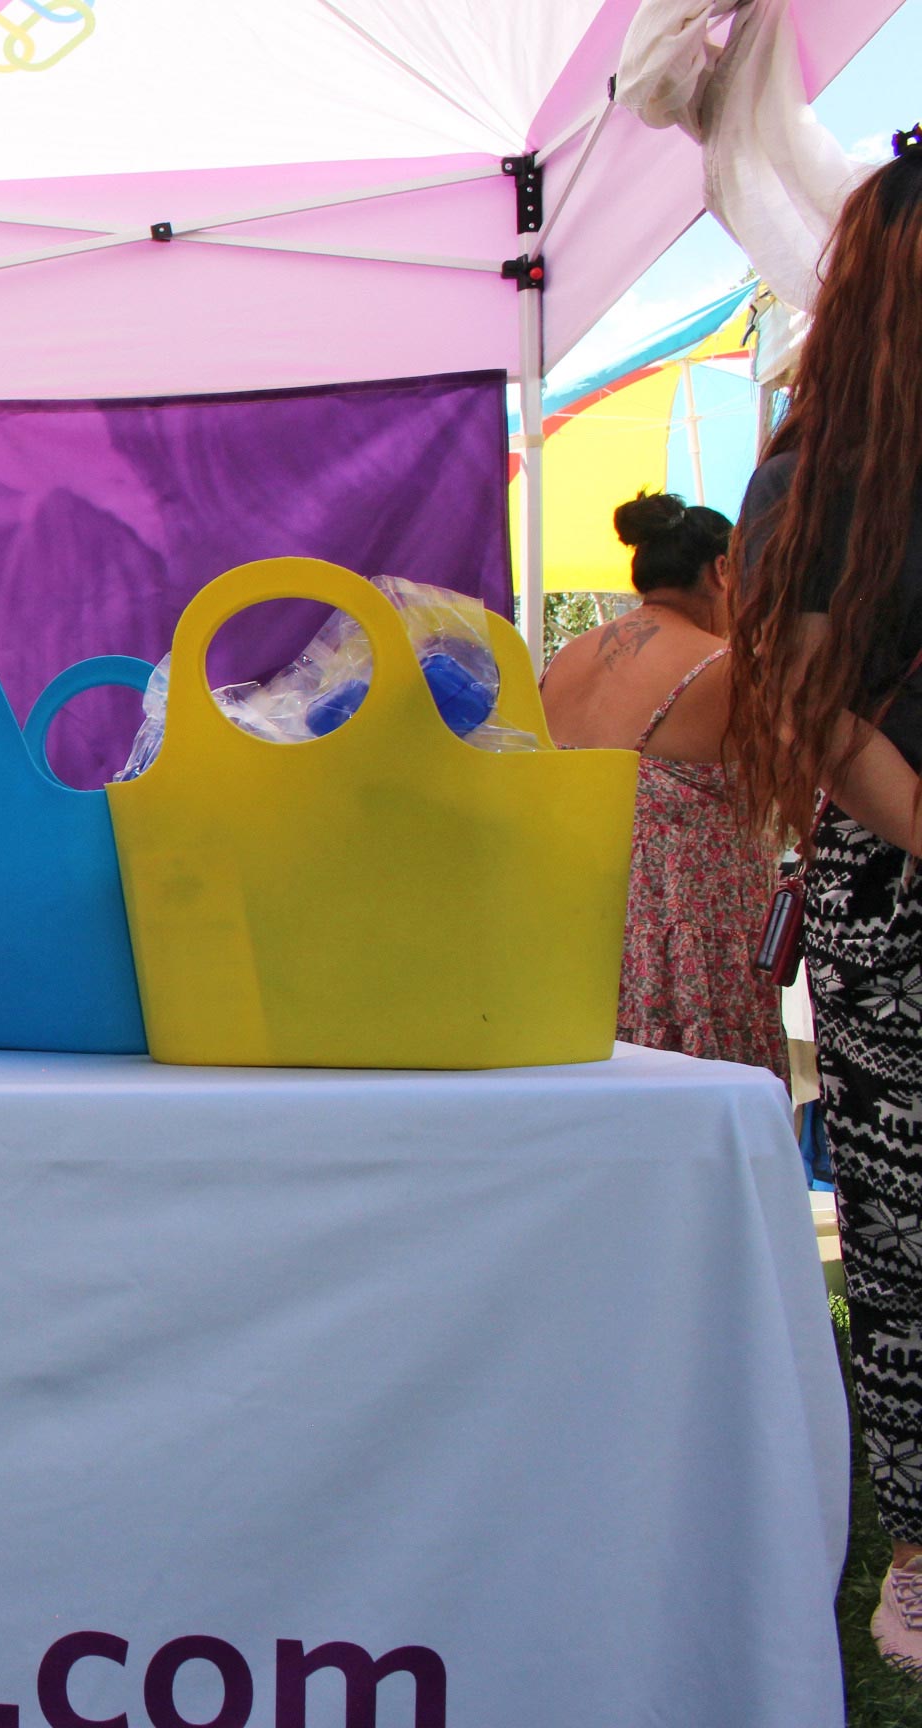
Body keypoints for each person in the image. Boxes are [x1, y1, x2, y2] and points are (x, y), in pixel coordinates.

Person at [719, 132, 922, 1677]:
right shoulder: (822, 466)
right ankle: (917, 1551)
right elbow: (797, 687)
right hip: (898, 894)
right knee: (910, 1245)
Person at [539, 492, 786, 1081]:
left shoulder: (565, 661)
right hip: (690, 955)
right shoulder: (726, 667)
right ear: (722, 570)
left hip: (575, 941)